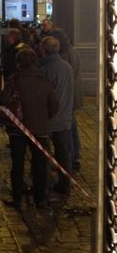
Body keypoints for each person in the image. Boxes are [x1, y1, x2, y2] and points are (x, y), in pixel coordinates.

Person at [0, 48, 59, 209]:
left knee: (17, 164)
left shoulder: (14, 80)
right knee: (40, 165)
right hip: (40, 129)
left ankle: (17, 197)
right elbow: (54, 106)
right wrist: (43, 118)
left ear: (18, 62)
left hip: (17, 129)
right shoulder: (44, 81)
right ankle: (40, 198)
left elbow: (3, 99)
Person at [39, 35, 74, 195]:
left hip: (49, 119)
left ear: (43, 50)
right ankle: (65, 182)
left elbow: (43, 97)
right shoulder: (67, 67)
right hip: (65, 117)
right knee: (63, 153)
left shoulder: (45, 70)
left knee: (43, 154)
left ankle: (43, 183)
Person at [49, 28, 83, 170]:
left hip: (67, 95)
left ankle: (70, 156)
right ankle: (76, 154)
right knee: (72, 124)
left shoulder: (64, 56)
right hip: (74, 94)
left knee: (67, 128)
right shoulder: (73, 51)